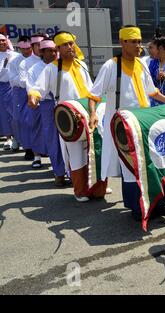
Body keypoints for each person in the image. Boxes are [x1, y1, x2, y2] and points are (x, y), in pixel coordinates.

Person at [88, 25, 165, 220]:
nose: (139, 45)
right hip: (122, 127)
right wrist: (93, 113)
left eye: (139, 41)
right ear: (122, 43)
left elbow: (153, 92)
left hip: (144, 124)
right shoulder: (111, 66)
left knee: (155, 163)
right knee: (131, 169)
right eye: (134, 42)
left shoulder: (142, 64)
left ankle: (160, 205)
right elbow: (94, 94)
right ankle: (138, 208)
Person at [28, 31, 107, 202]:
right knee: (76, 155)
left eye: (71, 43)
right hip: (68, 120)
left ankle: (97, 186)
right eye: (65, 44)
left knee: (95, 151)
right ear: (57, 48)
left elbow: (92, 90)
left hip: (89, 114)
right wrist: (33, 96)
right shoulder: (51, 68)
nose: (70, 47)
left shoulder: (81, 65)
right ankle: (80, 190)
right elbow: (38, 88)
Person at [27, 39, 66, 186]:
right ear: (42, 52)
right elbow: (32, 89)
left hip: (65, 104)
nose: (53, 53)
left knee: (70, 138)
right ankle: (59, 172)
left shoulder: (64, 66)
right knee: (53, 139)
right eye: (49, 51)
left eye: (55, 50)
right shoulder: (34, 69)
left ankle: (73, 172)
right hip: (47, 105)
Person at [20, 33, 48, 161]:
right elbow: (25, 82)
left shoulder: (53, 61)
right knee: (35, 126)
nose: (39, 47)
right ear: (32, 46)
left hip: (51, 100)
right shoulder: (26, 63)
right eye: (37, 45)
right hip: (35, 100)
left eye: (41, 44)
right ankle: (37, 156)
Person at [8, 36, 32, 152]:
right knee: (18, 119)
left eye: (27, 48)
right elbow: (12, 80)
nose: (25, 51)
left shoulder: (37, 59)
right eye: (22, 49)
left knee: (33, 119)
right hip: (19, 91)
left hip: (34, 91)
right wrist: (25, 80)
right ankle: (19, 140)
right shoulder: (14, 61)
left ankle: (34, 147)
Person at [0, 33, 19, 151]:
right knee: (4, 113)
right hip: (2, 87)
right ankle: (8, 138)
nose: (2, 43)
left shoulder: (16, 55)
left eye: (3, 40)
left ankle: (19, 138)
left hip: (15, 88)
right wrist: (5, 65)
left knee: (15, 112)